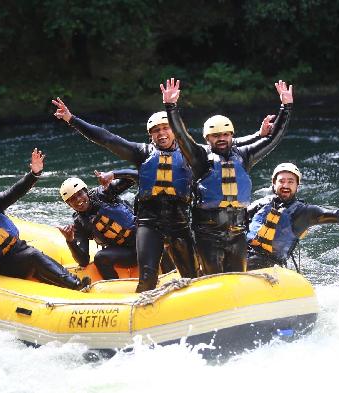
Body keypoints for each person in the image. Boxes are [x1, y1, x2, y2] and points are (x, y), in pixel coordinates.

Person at [52, 97, 198, 292]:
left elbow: (138, 178)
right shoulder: (143, 153)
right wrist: (71, 119)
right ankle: (119, 292)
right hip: (148, 229)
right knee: (142, 277)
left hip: (178, 222)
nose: (78, 201)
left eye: (165, 128)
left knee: (193, 276)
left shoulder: (192, 154)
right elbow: (107, 139)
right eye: (156, 130)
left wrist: (114, 175)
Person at [161, 78, 293, 275]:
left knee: (238, 277)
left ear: (232, 136)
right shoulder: (200, 158)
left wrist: (286, 107)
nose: (221, 139)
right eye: (216, 136)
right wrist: (171, 106)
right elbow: (181, 136)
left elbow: (274, 138)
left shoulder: (245, 155)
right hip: (207, 234)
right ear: (207, 139)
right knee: (215, 278)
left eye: (226, 135)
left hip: (238, 233)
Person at [0, 148, 91, 291]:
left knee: (33, 254)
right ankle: (76, 285)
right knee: (32, 255)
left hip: (19, 249)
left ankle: (63, 284)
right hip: (0, 267)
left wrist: (34, 174)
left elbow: (16, 191)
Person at [246, 163, 339, 270]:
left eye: (291, 182)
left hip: (270, 265)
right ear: (273, 184)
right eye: (281, 181)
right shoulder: (260, 204)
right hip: (243, 255)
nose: (286, 185)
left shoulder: (306, 213)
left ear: (297, 186)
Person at [57, 170, 138, 280]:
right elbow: (83, 261)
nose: (78, 200)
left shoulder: (104, 194)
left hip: (145, 239)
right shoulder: (80, 223)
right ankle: (115, 287)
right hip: (128, 253)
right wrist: (70, 240)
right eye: (72, 199)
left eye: (80, 194)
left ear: (86, 191)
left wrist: (112, 175)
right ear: (69, 204)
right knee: (100, 258)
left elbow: (135, 176)